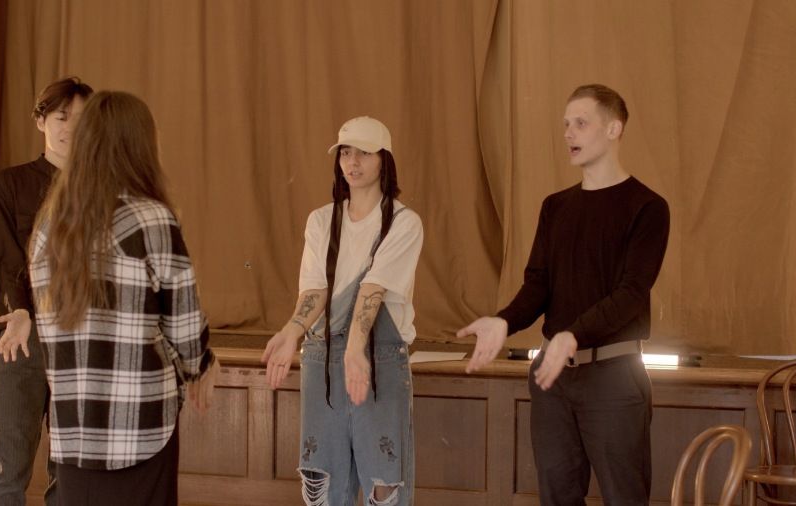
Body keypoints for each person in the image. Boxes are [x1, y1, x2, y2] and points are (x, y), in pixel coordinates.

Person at [457, 84, 670, 505]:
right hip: (552, 381)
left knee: (624, 497)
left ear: (614, 129)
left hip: (614, 378)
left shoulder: (647, 207)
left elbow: (631, 292)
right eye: (566, 125)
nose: (569, 134)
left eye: (581, 123)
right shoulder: (556, 206)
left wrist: (573, 334)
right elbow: (538, 284)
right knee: (556, 496)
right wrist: (504, 320)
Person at [24, 90, 218, 506]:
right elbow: (185, 330)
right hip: (141, 426)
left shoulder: (48, 228)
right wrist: (203, 367)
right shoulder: (150, 219)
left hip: (74, 430)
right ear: (140, 145)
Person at [262, 116, 424, 506]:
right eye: (345, 153)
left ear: (384, 159)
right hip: (323, 359)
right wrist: (291, 332)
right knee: (323, 481)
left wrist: (355, 350)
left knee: (383, 485)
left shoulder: (403, 223)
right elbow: (316, 290)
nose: (352, 162)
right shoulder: (321, 220)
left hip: (378, 361)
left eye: (364, 153)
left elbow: (373, 290)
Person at [0, 76, 92, 505]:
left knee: (67, 474)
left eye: (81, 119)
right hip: (21, 340)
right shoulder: (10, 183)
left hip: (80, 341)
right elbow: (6, 260)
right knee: (9, 472)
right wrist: (22, 312)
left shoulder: (100, 187)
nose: (70, 127)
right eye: (61, 117)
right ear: (41, 121)